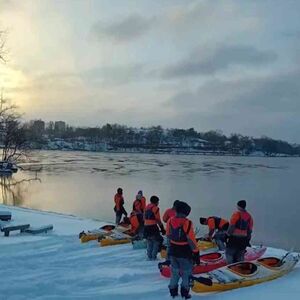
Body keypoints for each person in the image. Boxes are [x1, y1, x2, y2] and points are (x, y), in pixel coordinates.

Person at [167, 201, 200, 299]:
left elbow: (168, 235)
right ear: (186, 213)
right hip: (185, 252)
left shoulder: (170, 221)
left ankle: (173, 292)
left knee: (174, 272)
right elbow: (191, 240)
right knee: (186, 272)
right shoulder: (187, 223)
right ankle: (185, 293)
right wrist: (196, 253)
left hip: (173, 250)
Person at [226, 200, 253, 264]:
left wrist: (227, 234)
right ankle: (240, 268)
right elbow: (249, 230)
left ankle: (231, 268)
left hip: (234, 238)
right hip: (243, 239)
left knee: (229, 254)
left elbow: (232, 226)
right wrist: (248, 240)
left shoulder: (236, 214)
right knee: (240, 255)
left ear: (238, 206)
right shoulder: (249, 216)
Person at [144, 195, 165, 260]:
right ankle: (154, 257)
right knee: (156, 241)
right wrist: (162, 228)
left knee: (149, 241)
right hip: (152, 227)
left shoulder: (147, 207)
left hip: (146, 227)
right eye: (158, 202)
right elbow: (158, 219)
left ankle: (149, 256)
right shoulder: (155, 208)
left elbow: (144, 217)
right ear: (156, 202)